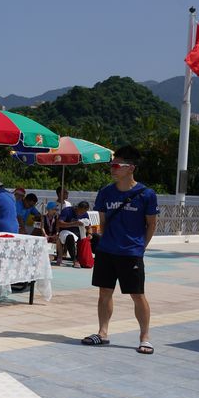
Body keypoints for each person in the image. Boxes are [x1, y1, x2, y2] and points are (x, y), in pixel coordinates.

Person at [82, 145, 159, 354]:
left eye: (117, 165)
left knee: (137, 294)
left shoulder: (146, 194)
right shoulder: (106, 192)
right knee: (104, 292)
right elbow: (102, 221)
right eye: (112, 164)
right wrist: (103, 237)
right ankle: (102, 332)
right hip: (107, 250)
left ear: (131, 168)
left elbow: (151, 224)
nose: (112, 168)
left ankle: (145, 337)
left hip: (131, 252)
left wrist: (141, 247)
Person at [57, 200, 90, 266]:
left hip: (79, 232)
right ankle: (74, 260)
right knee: (70, 237)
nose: (82, 214)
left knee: (96, 237)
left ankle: (90, 259)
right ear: (78, 208)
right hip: (65, 231)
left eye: (84, 212)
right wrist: (74, 223)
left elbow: (89, 226)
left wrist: (89, 233)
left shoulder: (85, 214)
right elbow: (59, 223)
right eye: (81, 212)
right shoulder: (67, 211)